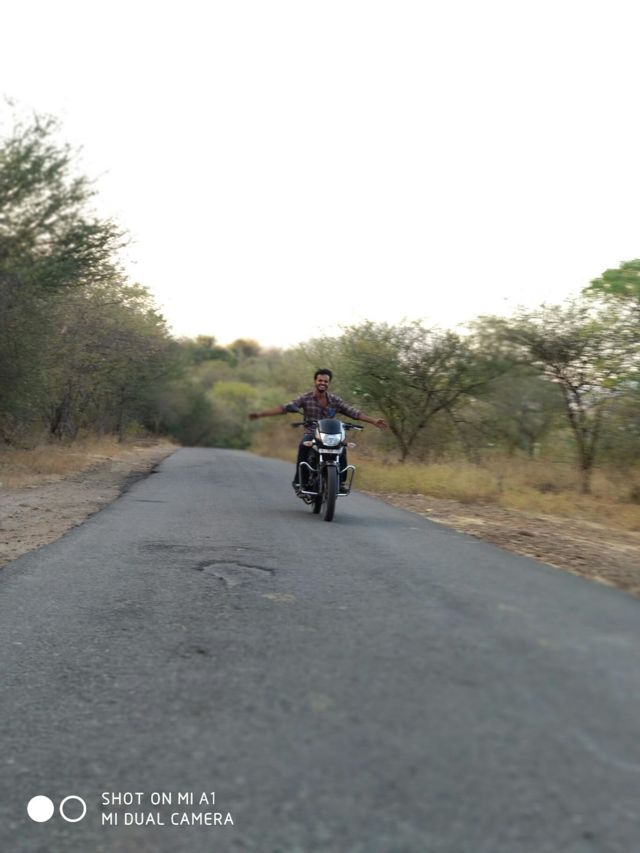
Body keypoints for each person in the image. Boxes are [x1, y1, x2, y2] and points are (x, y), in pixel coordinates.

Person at [248, 369, 387, 491]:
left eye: (326, 381)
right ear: (315, 381)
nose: (323, 383)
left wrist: (374, 420)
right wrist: (260, 414)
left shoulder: (335, 400)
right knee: (303, 446)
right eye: (320, 380)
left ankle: (340, 482)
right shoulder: (305, 398)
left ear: (329, 383)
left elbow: (354, 412)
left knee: (342, 449)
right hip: (312, 433)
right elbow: (284, 408)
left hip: (331, 435)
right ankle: (300, 480)